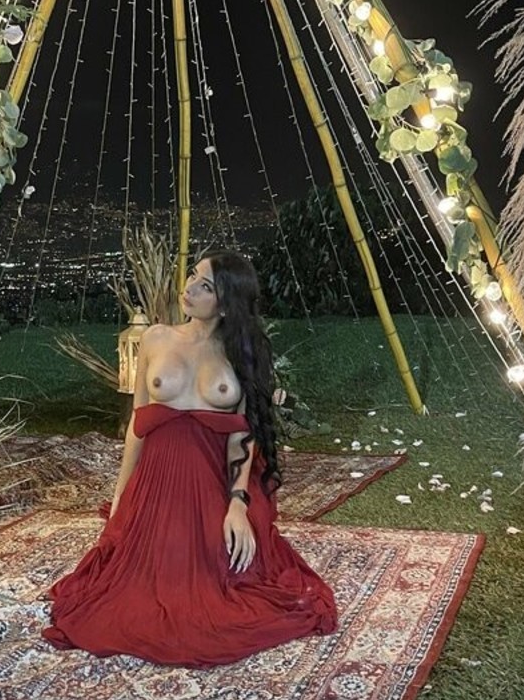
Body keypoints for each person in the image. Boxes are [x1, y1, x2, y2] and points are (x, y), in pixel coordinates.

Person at [42, 250, 338, 667]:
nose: (190, 288)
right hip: (158, 477)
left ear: (226, 303)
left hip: (211, 478)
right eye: (193, 276)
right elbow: (139, 422)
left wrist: (238, 503)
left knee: (220, 577)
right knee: (134, 587)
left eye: (205, 286)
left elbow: (242, 433)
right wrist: (121, 496)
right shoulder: (155, 338)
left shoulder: (242, 352)